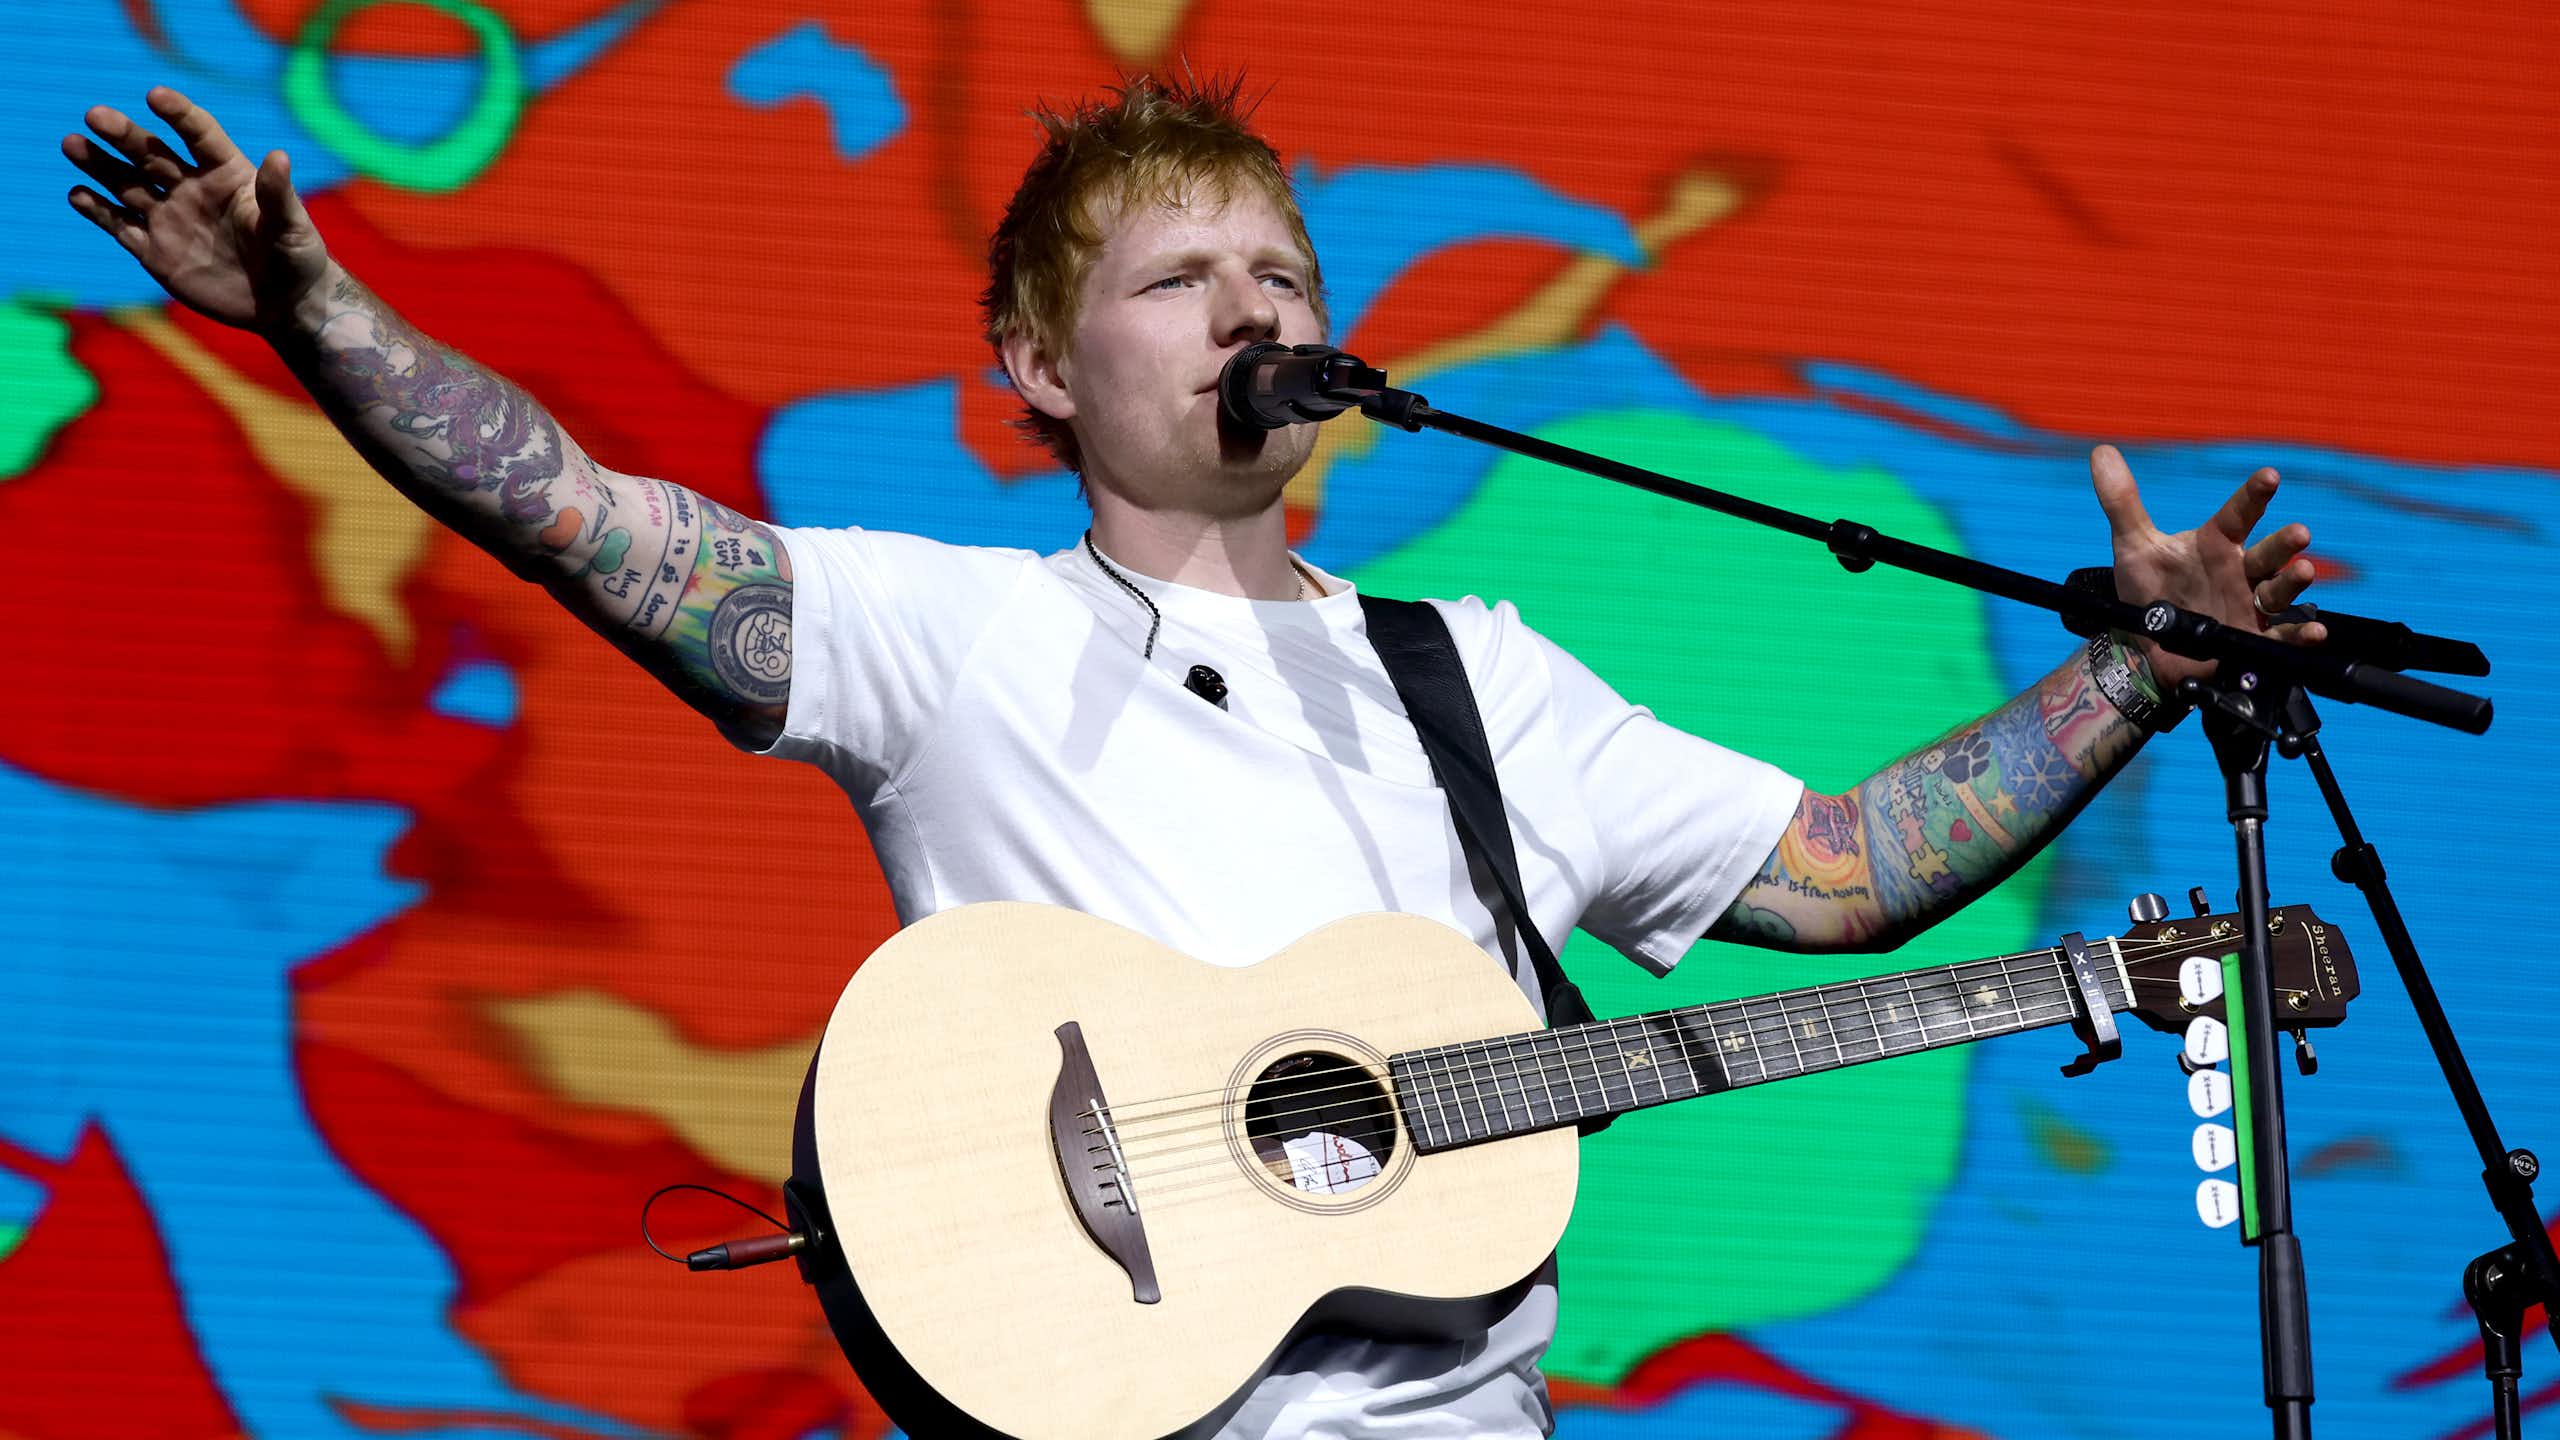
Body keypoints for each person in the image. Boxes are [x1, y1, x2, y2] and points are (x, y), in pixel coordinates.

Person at [64, 74, 2322, 1438]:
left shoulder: (1477, 675)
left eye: (1282, 274)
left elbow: (1835, 869)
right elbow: (573, 513)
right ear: (1037, 365)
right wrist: (317, 319)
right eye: (1178, 280)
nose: (1253, 309)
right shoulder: (947, 631)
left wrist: (2127, 675)